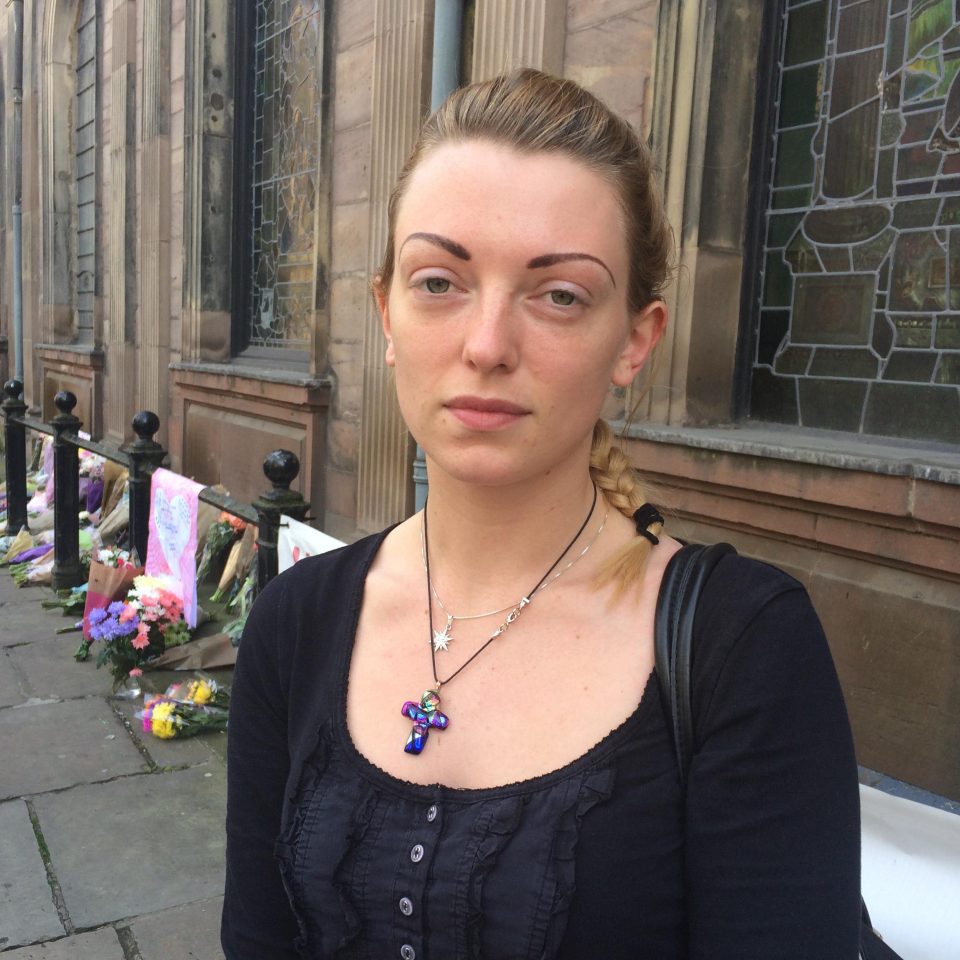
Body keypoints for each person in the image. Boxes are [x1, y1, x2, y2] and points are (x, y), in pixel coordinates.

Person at [221, 69, 860, 958]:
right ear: (387, 315)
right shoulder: (296, 623)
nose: (487, 346)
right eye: (440, 281)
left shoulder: (741, 647)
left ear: (635, 339)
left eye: (559, 295)